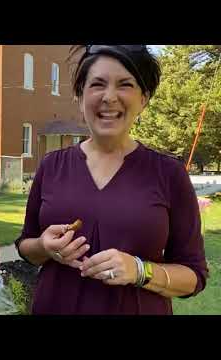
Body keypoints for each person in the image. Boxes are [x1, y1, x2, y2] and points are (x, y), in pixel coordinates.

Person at [15, 45, 209, 315]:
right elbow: (26, 246)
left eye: (125, 84)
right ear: (80, 96)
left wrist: (140, 270)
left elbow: (194, 275)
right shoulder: (51, 166)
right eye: (97, 84)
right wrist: (44, 247)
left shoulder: (169, 173)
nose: (109, 97)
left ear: (144, 98)